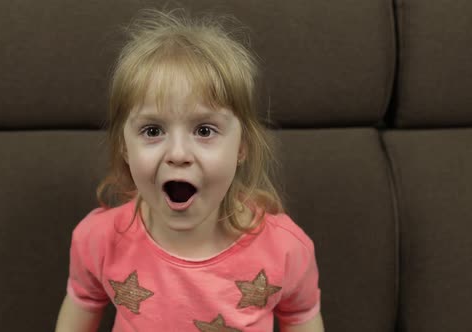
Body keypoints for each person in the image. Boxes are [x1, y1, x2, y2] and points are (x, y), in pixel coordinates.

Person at [55, 8, 324, 332]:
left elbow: (300, 315)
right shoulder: (97, 240)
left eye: (204, 130)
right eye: (153, 131)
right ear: (125, 148)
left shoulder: (285, 249)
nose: (179, 154)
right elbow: (82, 302)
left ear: (241, 147)